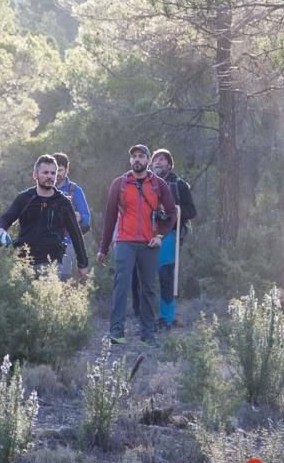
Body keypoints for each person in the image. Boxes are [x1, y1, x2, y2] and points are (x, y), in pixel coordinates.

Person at [97, 144, 176, 347]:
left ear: (148, 160)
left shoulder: (159, 185)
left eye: (141, 156)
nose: (137, 160)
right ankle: (116, 332)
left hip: (149, 244)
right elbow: (109, 217)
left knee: (148, 288)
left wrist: (160, 235)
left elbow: (171, 214)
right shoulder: (119, 184)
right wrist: (103, 248)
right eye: (134, 157)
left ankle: (147, 332)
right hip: (125, 241)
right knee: (121, 285)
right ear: (130, 160)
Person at [132, 148, 197, 329]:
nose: (158, 163)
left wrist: (173, 209)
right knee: (144, 278)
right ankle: (145, 318)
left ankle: (166, 319)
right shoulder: (145, 183)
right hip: (145, 235)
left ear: (169, 163)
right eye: (155, 160)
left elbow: (191, 211)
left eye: (162, 160)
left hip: (169, 235)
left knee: (166, 276)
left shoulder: (179, 184)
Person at [0, 155, 89, 278]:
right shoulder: (24, 198)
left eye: (52, 173)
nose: (49, 176)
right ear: (35, 175)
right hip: (24, 262)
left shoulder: (63, 202)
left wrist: (83, 264)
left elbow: (76, 234)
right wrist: (0, 230)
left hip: (52, 262)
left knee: (47, 296)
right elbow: (5, 219)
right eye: (45, 172)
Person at [52, 152, 91, 280]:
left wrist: (78, 217)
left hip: (67, 243)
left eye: (61, 170)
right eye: (54, 170)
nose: (57, 174)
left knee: (63, 280)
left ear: (67, 169)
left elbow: (87, 219)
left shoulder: (74, 190)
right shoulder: (43, 189)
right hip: (44, 243)